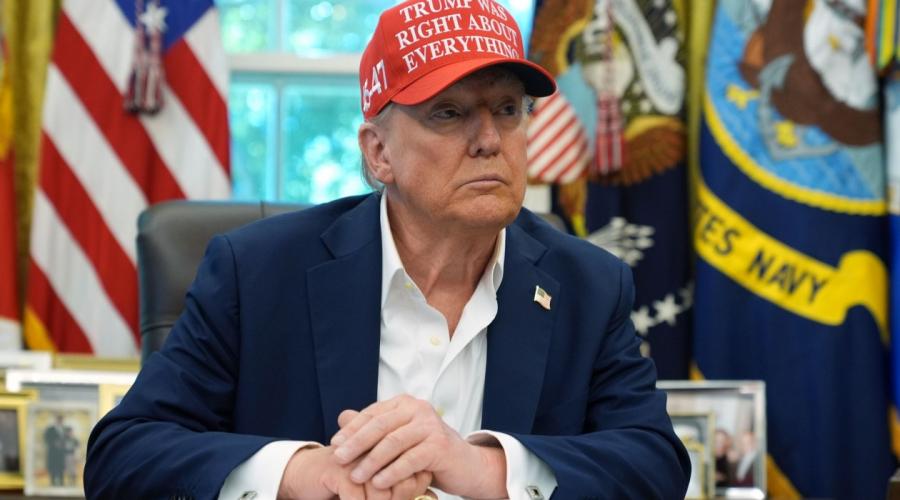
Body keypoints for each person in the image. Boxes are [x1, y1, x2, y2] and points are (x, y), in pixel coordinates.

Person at [84, 1, 690, 498]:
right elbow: (124, 454)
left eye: (508, 110)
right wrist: (300, 473)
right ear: (379, 153)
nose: (489, 139)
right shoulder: (257, 272)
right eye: (449, 113)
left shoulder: (589, 284)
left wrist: (484, 468)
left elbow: (656, 463)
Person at [44, 415, 65, 487]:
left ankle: (61, 482)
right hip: (53, 452)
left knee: (61, 467)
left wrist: (62, 445)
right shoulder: (50, 429)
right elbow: (46, 438)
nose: (60, 421)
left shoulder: (64, 429)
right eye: (59, 420)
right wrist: (54, 443)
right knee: (53, 466)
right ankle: (52, 482)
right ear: (56, 420)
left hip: (61, 453)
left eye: (61, 420)